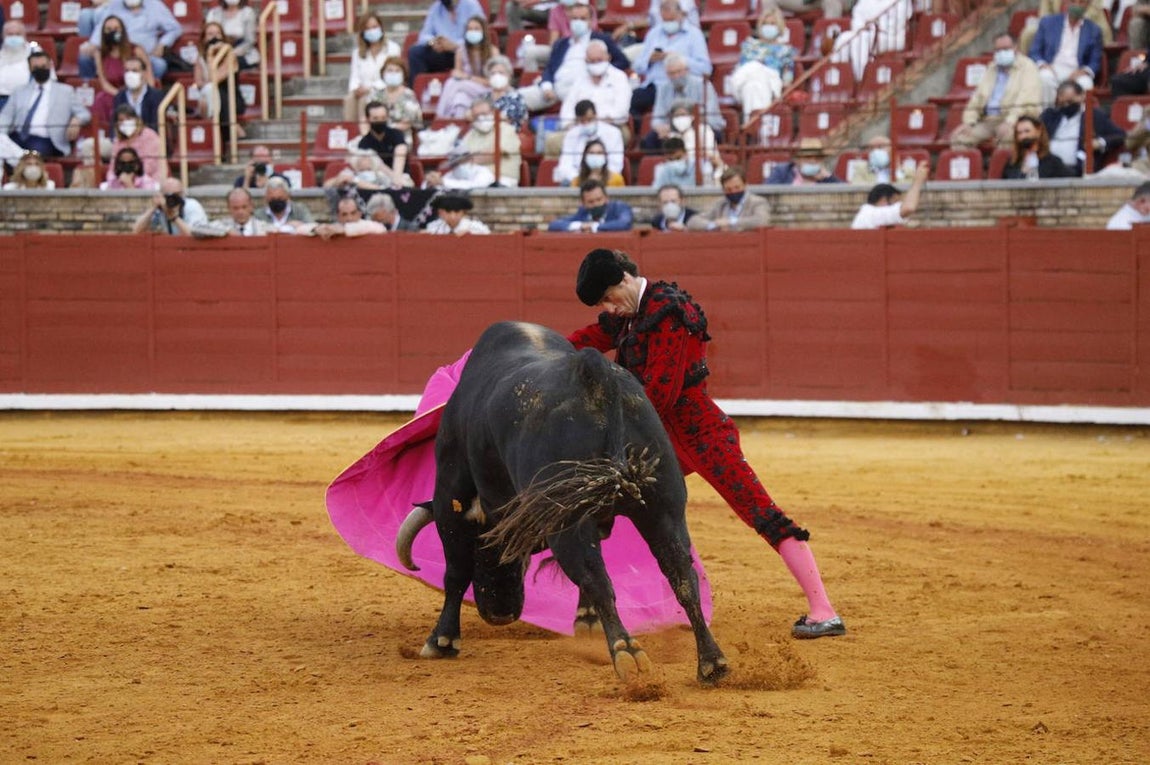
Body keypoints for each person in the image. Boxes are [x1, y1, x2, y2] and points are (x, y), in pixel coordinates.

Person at [566, 247, 846, 639]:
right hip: (656, 437)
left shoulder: (669, 311)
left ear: (625, 279)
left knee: (758, 508)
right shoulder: (628, 316)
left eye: (608, 298)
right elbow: (582, 342)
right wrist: (542, 352)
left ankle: (824, 611)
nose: (609, 309)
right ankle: (656, 601)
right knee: (606, 499)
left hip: (700, 434)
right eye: (602, 305)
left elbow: (660, 394)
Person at [518, 2, 629, 113]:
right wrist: (547, 87)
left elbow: (622, 61)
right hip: (555, 89)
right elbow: (549, 69)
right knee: (514, 100)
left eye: (583, 19)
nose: (578, 22)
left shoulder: (601, 40)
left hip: (583, 89)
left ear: (590, 21)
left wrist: (599, 70)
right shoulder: (561, 44)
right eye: (575, 19)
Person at [949, 33, 1043, 151]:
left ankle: (1000, 163)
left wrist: (1010, 121)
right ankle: (974, 163)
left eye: (1006, 49)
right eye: (998, 50)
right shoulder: (991, 68)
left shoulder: (1028, 67)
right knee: (959, 138)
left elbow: (1026, 100)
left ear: (1016, 47)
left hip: (1015, 119)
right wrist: (969, 122)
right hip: (988, 119)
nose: (1001, 53)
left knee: (1008, 137)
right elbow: (977, 98)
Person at [0, 48, 90, 167]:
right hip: (17, 136)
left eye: (43, 66)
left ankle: (21, 163)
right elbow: (5, 116)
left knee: (31, 153)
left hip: (46, 140)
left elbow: (85, 113)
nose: (40, 70)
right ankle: (21, 162)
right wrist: (2, 136)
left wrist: (76, 119)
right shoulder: (19, 91)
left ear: (50, 66)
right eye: (36, 67)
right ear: (30, 69)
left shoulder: (66, 91)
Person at [628, 0, 712, 124]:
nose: (668, 23)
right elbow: (637, 66)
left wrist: (679, 59)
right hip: (655, 86)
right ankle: (643, 132)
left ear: (681, 14)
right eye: (665, 20)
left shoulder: (694, 34)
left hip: (682, 86)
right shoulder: (654, 33)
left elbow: (706, 69)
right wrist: (649, 59)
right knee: (633, 100)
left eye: (671, 19)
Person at [639, 52, 724, 152]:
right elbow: (657, 117)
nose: (676, 76)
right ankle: (663, 161)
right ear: (666, 74)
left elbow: (709, 115)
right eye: (672, 73)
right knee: (651, 139)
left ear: (687, 70)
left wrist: (687, 127)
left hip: (701, 126)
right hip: (672, 130)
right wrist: (661, 128)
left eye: (679, 72)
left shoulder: (703, 85)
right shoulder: (663, 88)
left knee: (710, 135)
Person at [80, 0, 181, 81]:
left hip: (142, 56)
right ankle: (93, 88)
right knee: (84, 57)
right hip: (115, 54)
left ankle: (144, 92)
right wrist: (93, 44)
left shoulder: (155, 5)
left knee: (159, 65)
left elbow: (175, 28)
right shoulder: (115, 5)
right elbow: (102, 26)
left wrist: (162, 44)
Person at [1040, 80, 1125, 176]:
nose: (1066, 106)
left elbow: (1120, 135)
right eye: (1062, 103)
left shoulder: (1094, 116)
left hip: (1076, 170)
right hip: (1047, 168)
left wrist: (1099, 142)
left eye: (1070, 101)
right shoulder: (1050, 115)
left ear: (1082, 96)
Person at [1028, 0, 1104, 107]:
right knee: (1044, 77)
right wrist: (1043, 65)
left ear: (1087, 4)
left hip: (1077, 71)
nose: (1077, 5)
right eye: (1073, 1)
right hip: (1052, 67)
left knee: (1086, 84)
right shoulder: (1048, 23)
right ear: (1066, 2)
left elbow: (1095, 61)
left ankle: (1079, 117)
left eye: (1081, 2)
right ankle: (1048, 114)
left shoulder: (1094, 30)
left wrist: (1084, 71)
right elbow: (1034, 51)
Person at [730, 5, 797, 123]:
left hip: (771, 83)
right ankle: (758, 123)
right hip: (745, 81)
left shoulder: (785, 51)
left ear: (779, 26)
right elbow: (742, 68)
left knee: (756, 79)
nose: (768, 27)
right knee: (753, 79)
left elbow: (787, 78)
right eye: (765, 24)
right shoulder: (749, 46)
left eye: (772, 24)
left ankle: (751, 122)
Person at [92, 13, 155, 129]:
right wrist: (121, 96)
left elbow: (149, 79)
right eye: (108, 29)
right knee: (101, 99)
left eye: (116, 29)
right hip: (113, 94)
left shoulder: (136, 50)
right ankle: (106, 134)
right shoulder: (99, 54)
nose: (112, 32)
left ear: (122, 30)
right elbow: (104, 83)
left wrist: (134, 96)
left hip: (137, 93)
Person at [557, 39, 631, 134]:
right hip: (580, 127)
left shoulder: (619, 77)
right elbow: (568, 108)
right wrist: (570, 125)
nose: (596, 64)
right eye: (592, 61)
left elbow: (621, 111)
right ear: (586, 60)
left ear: (608, 57)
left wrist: (595, 120)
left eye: (599, 60)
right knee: (553, 140)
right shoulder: (579, 79)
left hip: (612, 127)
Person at [344, 12, 402, 125]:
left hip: (383, 89)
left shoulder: (393, 49)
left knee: (364, 100)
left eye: (374, 27)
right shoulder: (357, 53)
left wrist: (370, 88)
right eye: (368, 28)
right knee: (349, 99)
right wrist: (355, 89)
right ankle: (350, 130)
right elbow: (354, 76)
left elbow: (392, 75)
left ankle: (364, 131)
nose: (372, 31)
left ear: (381, 28)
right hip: (361, 90)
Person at [407, 0, 486, 83]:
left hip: (464, 51)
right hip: (442, 51)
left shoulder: (471, 5)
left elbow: (480, 33)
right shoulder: (436, 8)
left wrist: (454, 45)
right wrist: (433, 42)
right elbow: (424, 36)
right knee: (415, 52)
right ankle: (418, 88)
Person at [434, 14, 494, 119]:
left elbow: (492, 82)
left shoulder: (493, 52)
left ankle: (439, 117)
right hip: (466, 90)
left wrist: (468, 77)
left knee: (453, 83)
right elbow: (458, 75)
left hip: (486, 90)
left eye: (476, 29)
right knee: (460, 99)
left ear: (483, 31)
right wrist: (460, 75)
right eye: (470, 29)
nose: (473, 32)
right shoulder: (461, 51)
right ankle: (457, 125)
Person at [195, 20, 247, 140]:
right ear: (204, 38)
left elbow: (214, 79)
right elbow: (198, 82)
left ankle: (233, 130)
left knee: (213, 90)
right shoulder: (200, 57)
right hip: (210, 98)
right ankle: (232, 131)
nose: (215, 37)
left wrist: (210, 56)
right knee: (210, 92)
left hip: (231, 98)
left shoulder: (230, 56)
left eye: (218, 33)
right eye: (210, 34)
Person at [553, 100, 624, 185]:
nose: (586, 124)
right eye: (582, 121)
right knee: (565, 183)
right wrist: (581, 179)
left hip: (605, 177)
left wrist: (598, 177)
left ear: (596, 115)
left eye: (589, 119)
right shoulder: (571, 135)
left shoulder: (613, 133)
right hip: (579, 178)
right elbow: (565, 165)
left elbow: (616, 165)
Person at [460, 96, 521, 187]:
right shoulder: (471, 134)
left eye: (484, 114)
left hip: (502, 179)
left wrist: (469, 159)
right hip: (474, 176)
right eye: (476, 116)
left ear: (493, 112)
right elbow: (459, 158)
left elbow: (494, 155)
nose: (481, 118)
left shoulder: (506, 129)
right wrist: (466, 160)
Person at [850, 161, 929, 229]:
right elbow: (908, 208)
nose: (897, 206)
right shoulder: (870, 213)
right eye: (895, 202)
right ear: (883, 200)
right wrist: (918, 180)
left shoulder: (869, 214)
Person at [687, 167, 770, 231]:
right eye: (728, 189)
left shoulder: (757, 202)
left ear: (745, 185)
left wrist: (731, 222)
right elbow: (692, 221)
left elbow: (762, 221)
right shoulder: (720, 204)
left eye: (737, 187)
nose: (733, 192)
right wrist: (713, 225)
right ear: (723, 189)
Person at [106, 102, 167, 183]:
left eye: (128, 119)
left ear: (136, 119)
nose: (125, 122)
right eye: (121, 120)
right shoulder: (118, 141)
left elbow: (150, 165)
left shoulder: (150, 136)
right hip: (122, 181)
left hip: (150, 180)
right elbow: (113, 167)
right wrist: (113, 180)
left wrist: (131, 179)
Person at [366, 57, 423, 140]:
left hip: (400, 138)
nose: (393, 73)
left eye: (397, 71)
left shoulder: (408, 95)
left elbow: (408, 122)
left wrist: (386, 132)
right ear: (383, 73)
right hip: (375, 137)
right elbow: (366, 117)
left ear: (403, 75)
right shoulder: (376, 93)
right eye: (390, 70)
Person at [1001, 115, 1073, 179]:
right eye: (1019, 133)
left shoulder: (1053, 163)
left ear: (1038, 131)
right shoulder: (1012, 164)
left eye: (1027, 131)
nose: (1023, 136)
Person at [547, 178, 634, 231]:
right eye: (591, 202)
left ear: (606, 198)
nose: (596, 204)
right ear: (583, 203)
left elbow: (624, 223)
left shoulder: (619, 207)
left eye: (599, 199)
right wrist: (580, 226)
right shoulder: (583, 212)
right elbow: (554, 224)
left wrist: (594, 226)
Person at [356, 100, 410, 184]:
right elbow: (375, 165)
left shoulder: (397, 135)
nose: (380, 121)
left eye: (383, 118)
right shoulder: (364, 143)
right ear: (368, 119)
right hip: (377, 181)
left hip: (401, 178)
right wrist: (391, 178)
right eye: (375, 118)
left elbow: (400, 156)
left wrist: (397, 179)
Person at [132, 176, 208, 235]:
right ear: (162, 196)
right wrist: (153, 208)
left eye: (176, 195)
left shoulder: (191, 206)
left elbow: (194, 235)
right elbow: (137, 231)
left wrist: (174, 218)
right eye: (168, 196)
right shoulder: (161, 209)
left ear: (182, 194)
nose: (173, 199)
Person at [111, 55, 164, 134]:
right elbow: (114, 126)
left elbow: (156, 127)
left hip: (148, 138)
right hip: (123, 138)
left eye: (134, 71)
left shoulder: (156, 96)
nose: (130, 74)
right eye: (127, 71)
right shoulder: (119, 96)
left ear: (144, 73)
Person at [192, 186, 269, 237]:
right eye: (235, 208)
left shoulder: (263, 227)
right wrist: (225, 232)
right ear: (229, 208)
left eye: (244, 207)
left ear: (251, 206)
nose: (240, 212)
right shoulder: (222, 225)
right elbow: (196, 230)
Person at [205, 0, 260, 70]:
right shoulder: (214, 13)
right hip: (218, 51)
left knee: (229, 63)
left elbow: (250, 41)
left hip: (242, 54)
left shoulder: (247, 13)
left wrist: (232, 53)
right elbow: (208, 35)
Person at [766, 137, 845, 186]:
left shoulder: (826, 178)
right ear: (797, 160)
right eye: (808, 157)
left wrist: (828, 177)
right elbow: (767, 193)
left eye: (817, 158)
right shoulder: (782, 172)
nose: (813, 161)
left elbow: (845, 193)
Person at [485, 56, 528, 130]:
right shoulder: (484, 97)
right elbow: (469, 114)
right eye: (493, 73)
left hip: (506, 134)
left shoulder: (517, 98)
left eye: (501, 73)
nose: (497, 76)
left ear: (509, 75)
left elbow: (507, 118)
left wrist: (481, 115)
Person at [0, 20, 33, 112]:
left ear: (24, 36)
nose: (14, 37)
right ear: (3, 36)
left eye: (18, 34)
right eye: (10, 34)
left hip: (27, 101)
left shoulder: (35, 53)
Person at [424, 192, 491, 234]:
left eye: (457, 212)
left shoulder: (476, 227)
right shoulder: (434, 228)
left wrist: (471, 234)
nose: (452, 216)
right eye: (448, 212)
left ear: (464, 213)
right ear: (440, 212)